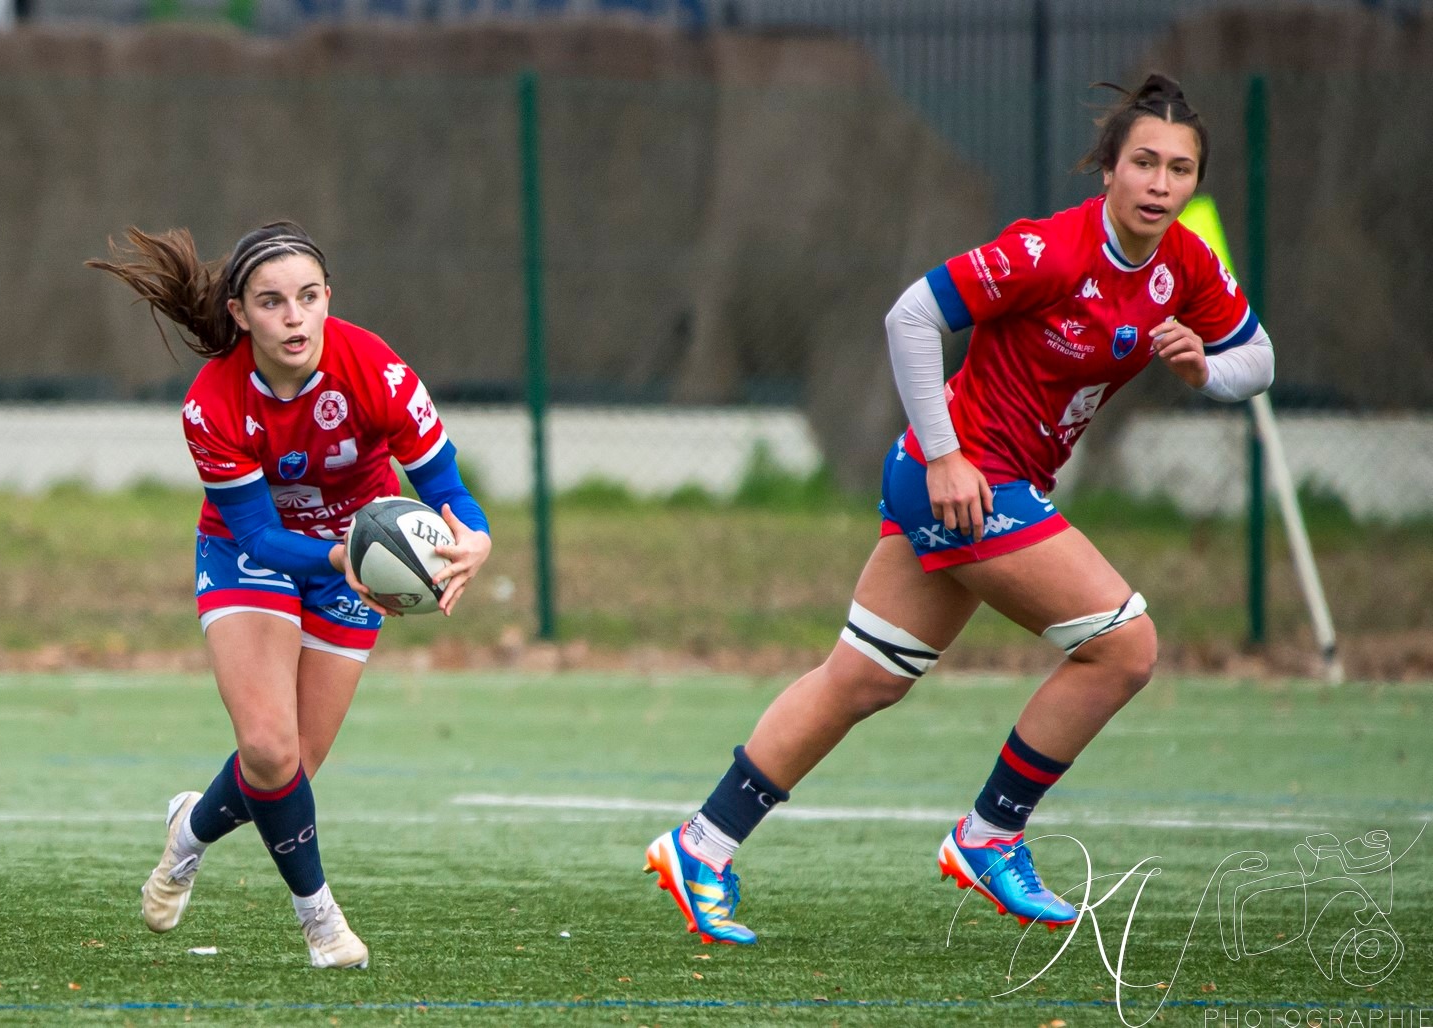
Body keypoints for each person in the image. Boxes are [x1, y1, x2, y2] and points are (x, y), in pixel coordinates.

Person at [644, 74, 1275, 944]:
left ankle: (701, 843)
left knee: (861, 677)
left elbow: (1260, 362)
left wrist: (1207, 370)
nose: (1161, 184)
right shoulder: (1049, 252)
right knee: (1125, 647)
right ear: (1108, 171)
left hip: (994, 487)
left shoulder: (1187, 266)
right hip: (967, 484)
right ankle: (991, 835)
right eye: (1143, 163)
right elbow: (911, 316)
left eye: (1179, 168)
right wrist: (946, 453)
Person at [87, 221, 492, 968]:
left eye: (309, 297)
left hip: (354, 562)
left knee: (289, 769)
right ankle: (323, 925)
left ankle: (188, 833)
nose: (295, 316)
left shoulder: (377, 369)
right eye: (272, 302)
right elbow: (259, 536)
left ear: (328, 298)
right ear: (239, 313)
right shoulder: (212, 404)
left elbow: (446, 490)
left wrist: (476, 537)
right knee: (268, 749)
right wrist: (345, 555)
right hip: (256, 556)